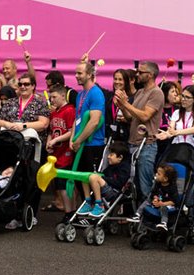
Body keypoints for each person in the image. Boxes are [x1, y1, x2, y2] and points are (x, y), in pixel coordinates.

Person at [115, 61, 164, 200]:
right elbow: (131, 117)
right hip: (133, 143)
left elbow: (145, 115)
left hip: (146, 144)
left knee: (145, 184)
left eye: (141, 72)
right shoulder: (140, 92)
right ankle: (137, 214)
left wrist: (126, 104)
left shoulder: (156, 93)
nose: (138, 74)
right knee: (134, 184)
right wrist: (123, 107)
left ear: (151, 75)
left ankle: (148, 216)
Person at [71, 58, 106, 203]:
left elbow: (94, 121)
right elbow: (77, 118)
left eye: (80, 73)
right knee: (81, 177)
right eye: (76, 73)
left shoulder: (96, 93)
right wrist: (72, 139)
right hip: (80, 144)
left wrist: (79, 140)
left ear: (90, 74)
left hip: (93, 144)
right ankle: (87, 204)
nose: (76, 76)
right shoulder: (80, 94)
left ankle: (98, 206)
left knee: (92, 178)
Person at [44, 85, 76, 213]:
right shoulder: (54, 112)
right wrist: (49, 142)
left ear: (63, 96)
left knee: (64, 184)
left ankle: (70, 211)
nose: (52, 100)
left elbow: (70, 131)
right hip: (56, 153)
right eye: (50, 97)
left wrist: (57, 140)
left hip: (65, 152)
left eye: (54, 97)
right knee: (59, 184)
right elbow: (51, 131)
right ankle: (68, 211)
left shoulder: (69, 110)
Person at [81, 143, 131, 218]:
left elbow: (119, 183)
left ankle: (99, 205)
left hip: (114, 192)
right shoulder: (110, 167)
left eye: (111, 155)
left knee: (94, 177)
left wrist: (102, 178)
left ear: (120, 157)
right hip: (105, 188)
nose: (108, 157)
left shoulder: (124, 168)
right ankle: (88, 202)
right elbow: (103, 175)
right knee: (86, 176)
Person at [135, 163, 178, 230]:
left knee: (163, 208)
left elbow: (174, 201)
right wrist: (155, 198)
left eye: (158, 174)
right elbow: (154, 193)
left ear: (165, 178)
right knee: (147, 201)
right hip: (157, 203)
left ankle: (164, 223)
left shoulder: (172, 188)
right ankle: (137, 214)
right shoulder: (157, 184)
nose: (156, 175)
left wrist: (162, 204)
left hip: (167, 205)